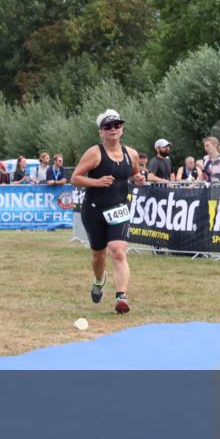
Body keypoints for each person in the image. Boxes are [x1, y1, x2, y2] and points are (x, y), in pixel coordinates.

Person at [71, 109, 144, 314]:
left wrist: (138, 180)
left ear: (122, 129)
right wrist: (96, 182)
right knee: (99, 256)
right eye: (108, 126)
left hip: (119, 209)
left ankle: (121, 297)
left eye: (117, 125)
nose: (113, 129)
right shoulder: (94, 153)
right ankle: (98, 281)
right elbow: (75, 178)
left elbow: (135, 175)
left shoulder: (131, 154)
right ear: (101, 132)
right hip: (94, 210)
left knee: (118, 251)